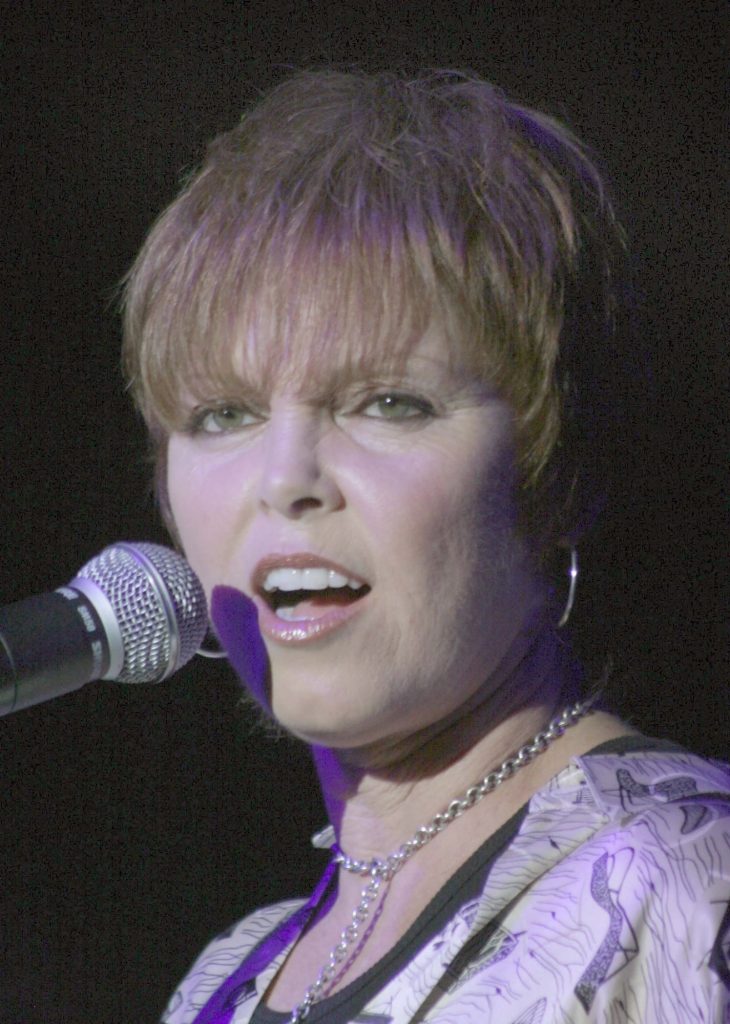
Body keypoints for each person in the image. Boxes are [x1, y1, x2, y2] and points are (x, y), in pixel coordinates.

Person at [122, 69, 730, 1024]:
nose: (285, 478)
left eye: (388, 403)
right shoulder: (223, 981)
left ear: (555, 471)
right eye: (223, 414)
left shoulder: (679, 887)